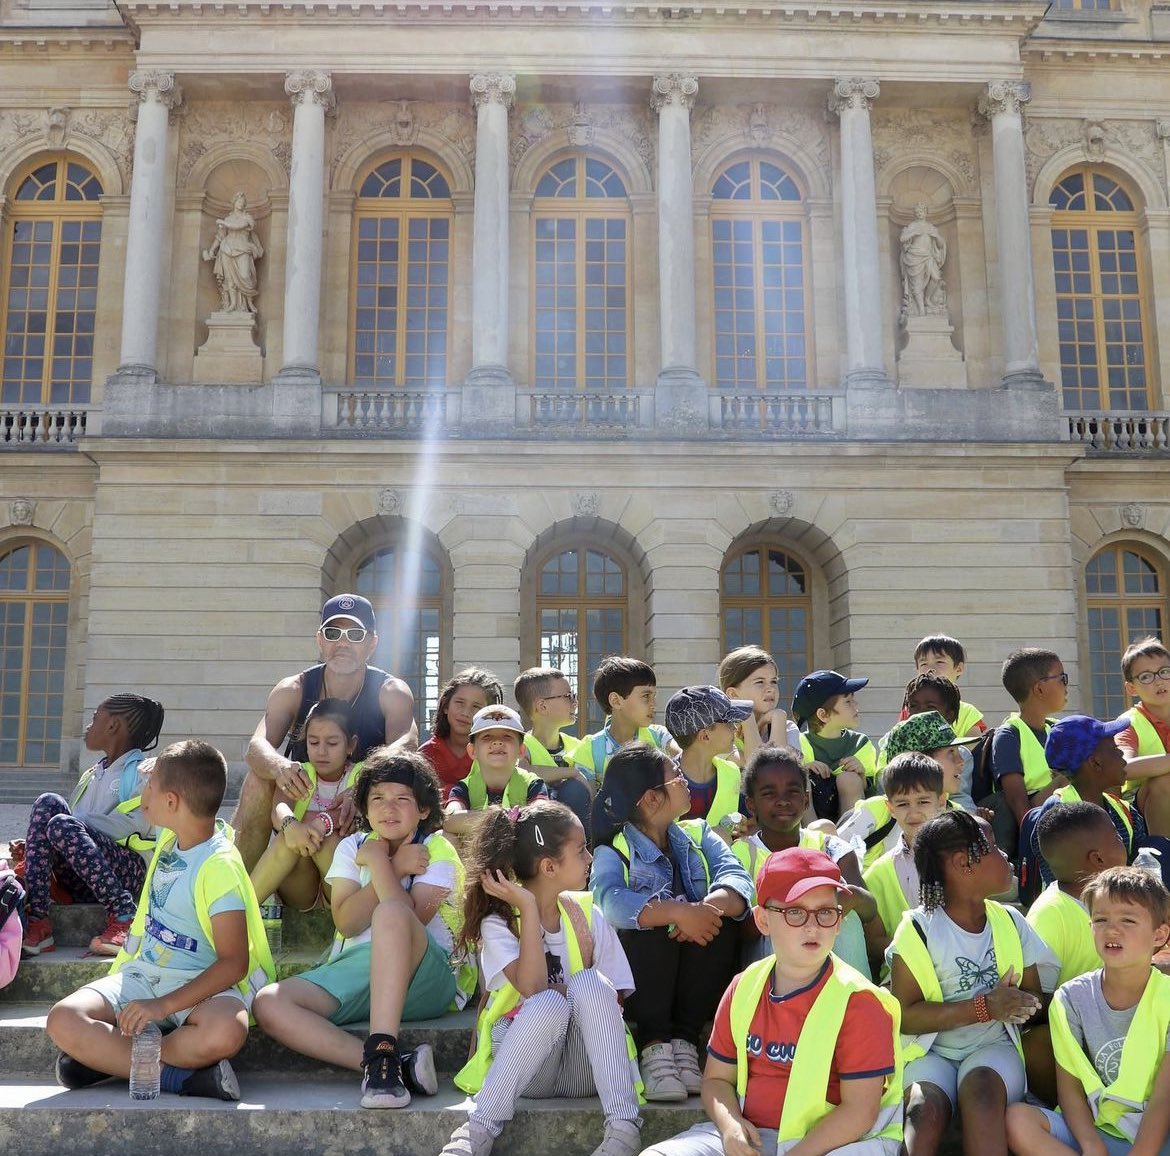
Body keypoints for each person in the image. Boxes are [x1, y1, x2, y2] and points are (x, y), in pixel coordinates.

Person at [46, 740, 273, 1100]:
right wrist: (159, 769)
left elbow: (234, 963)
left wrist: (163, 1007)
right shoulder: (173, 832)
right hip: (143, 978)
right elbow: (168, 776)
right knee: (63, 1019)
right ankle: (180, 1080)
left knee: (226, 1033)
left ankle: (106, 1060)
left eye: (148, 787)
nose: (141, 793)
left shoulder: (218, 865)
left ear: (172, 802)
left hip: (202, 990)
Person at [642, 847, 903, 1156]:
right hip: (751, 1137)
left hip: (831, 1145)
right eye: (795, 912)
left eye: (825, 912)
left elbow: (859, 1112)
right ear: (763, 920)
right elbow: (716, 1080)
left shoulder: (860, 1001)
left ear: (838, 921)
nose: (812, 925)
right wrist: (731, 1126)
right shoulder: (745, 986)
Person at [253, 750, 466, 1109]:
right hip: (359, 971)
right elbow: (347, 921)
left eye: (403, 799)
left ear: (424, 810)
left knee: (390, 915)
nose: (389, 809)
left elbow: (409, 918)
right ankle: (388, 1064)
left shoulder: (436, 849)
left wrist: (385, 864)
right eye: (378, 799)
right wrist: (391, 865)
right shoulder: (352, 847)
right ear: (365, 809)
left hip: (425, 977)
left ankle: (384, 1046)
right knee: (269, 1003)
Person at [443, 801, 642, 1156]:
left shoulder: (586, 913)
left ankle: (624, 1128)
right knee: (547, 1002)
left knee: (590, 984)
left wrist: (573, 992)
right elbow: (533, 989)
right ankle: (477, 1132)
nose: (589, 858)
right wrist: (529, 909)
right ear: (549, 866)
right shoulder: (500, 922)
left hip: (586, 1069)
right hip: (528, 1068)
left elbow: (614, 999)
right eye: (580, 851)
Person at [589, 744, 753, 1102]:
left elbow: (738, 879)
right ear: (651, 799)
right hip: (638, 988)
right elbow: (608, 901)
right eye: (675, 776)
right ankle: (654, 1047)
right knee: (651, 927)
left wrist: (705, 909)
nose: (684, 780)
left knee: (721, 923)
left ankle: (685, 1041)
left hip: (692, 977)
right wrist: (678, 913)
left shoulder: (698, 833)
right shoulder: (614, 848)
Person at [889, 811, 1057, 1156]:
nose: (1005, 856)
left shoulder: (1010, 921)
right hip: (930, 1052)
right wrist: (985, 1007)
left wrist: (1022, 1003)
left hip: (993, 1051)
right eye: (994, 847)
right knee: (923, 1108)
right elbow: (905, 1015)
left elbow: (1036, 996)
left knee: (981, 1095)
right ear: (964, 864)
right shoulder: (918, 930)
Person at [233, 593, 416, 871]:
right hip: (302, 815)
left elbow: (408, 745)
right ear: (320, 640)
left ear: (372, 643)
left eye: (355, 634)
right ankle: (233, 891)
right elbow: (257, 747)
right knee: (260, 779)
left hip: (361, 814)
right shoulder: (293, 689)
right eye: (333, 633)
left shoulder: (391, 692)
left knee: (397, 786)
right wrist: (280, 766)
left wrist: (364, 786)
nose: (342, 643)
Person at [1006, 866, 1170, 1156]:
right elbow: (1069, 1090)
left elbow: (1163, 1098)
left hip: (1157, 1134)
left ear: (1159, 935)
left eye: (1128, 920)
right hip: (1097, 1131)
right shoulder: (1070, 998)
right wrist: (1091, 1146)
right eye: (1101, 919)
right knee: (1017, 1119)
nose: (1112, 930)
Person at [21, 694, 166, 958]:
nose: (88, 726)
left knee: (62, 824)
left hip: (126, 873)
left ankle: (124, 915)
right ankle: (39, 920)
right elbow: (70, 829)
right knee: (48, 803)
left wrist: (75, 824)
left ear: (113, 726)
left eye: (94, 719)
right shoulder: (91, 774)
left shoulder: (144, 772)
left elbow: (138, 826)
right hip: (83, 874)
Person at [731, 745, 876, 977]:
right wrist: (790, 911)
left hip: (829, 951)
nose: (783, 801)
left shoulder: (830, 847)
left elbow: (869, 910)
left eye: (792, 792)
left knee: (842, 918)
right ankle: (784, 1005)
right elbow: (737, 931)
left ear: (806, 800)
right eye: (769, 793)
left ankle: (854, 1003)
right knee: (784, 921)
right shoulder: (741, 854)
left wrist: (847, 899)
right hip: (770, 957)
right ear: (751, 804)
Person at [248, 698, 363, 920]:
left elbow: (347, 813)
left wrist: (322, 823)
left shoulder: (360, 775)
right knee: (288, 837)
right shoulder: (299, 772)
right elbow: (280, 808)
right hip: (300, 888)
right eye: (313, 742)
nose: (321, 751)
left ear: (351, 745)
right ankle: (243, 911)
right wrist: (291, 826)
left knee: (329, 840)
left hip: (340, 887)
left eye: (332, 744)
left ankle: (346, 920)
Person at [844, 711, 975, 871]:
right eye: (951, 752)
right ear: (920, 761)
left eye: (923, 802)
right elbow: (832, 852)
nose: (961, 761)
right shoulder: (877, 812)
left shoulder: (956, 814)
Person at [1027, 716, 1143, 889]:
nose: (1121, 753)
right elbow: (1059, 879)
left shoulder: (1123, 809)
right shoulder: (1058, 813)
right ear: (1095, 762)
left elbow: (1140, 863)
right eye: (1114, 747)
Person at [862, 753, 950, 969]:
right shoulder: (877, 874)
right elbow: (873, 944)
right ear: (890, 808)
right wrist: (923, 947)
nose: (913, 812)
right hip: (904, 974)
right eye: (902, 804)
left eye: (923, 801)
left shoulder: (963, 859)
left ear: (941, 801)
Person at [1028, 803, 1128, 989]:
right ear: (1098, 859)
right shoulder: (1049, 916)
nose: (1122, 840)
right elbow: (1038, 1001)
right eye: (1116, 836)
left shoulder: (1122, 896)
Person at [987, 648, 1069, 854]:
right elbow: (1018, 805)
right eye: (1062, 678)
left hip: (1070, 821)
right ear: (1039, 689)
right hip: (1044, 836)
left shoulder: (1057, 728)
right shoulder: (1009, 735)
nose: (1067, 686)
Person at [443, 705, 548, 837]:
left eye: (507, 736)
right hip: (477, 855)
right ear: (472, 751)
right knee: (444, 836)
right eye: (487, 737)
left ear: (521, 750)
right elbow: (449, 819)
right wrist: (499, 818)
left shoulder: (533, 784)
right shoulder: (464, 787)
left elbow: (543, 816)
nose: (497, 742)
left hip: (520, 854)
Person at [572, 657, 677, 787]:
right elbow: (589, 803)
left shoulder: (659, 736)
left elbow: (685, 757)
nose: (654, 704)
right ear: (616, 701)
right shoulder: (590, 749)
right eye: (646, 696)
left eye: (654, 696)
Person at [513, 666, 592, 834]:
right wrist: (571, 772)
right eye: (568, 696)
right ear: (542, 706)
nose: (575, 702)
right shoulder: (522, 744)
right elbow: (522, 770)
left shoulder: (577, 745)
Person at [665, 685, 754, 833]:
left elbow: (751, 824)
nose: (735, 728)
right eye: (728, 722)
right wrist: (713, 834)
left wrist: (744, 829)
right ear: (705, 736)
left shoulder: (733, 774)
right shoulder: (661, 782)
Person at [791, 669, 875, 822]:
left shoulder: (860, 744)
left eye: (853, 699)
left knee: (849, 778)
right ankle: (814, 840)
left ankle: (847, 841)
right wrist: (805, 769)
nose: (856, 704)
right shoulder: (799, 744)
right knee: (801, 779)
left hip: (852, 822)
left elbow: (873, 793)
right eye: (847, 701)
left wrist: (862, 776)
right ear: (823, 715)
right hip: (811, 820)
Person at [419, 668, 504, 803]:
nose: (465, 712)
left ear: (489, 715)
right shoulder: (427, 753)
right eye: (459, 703)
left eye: (476, 707)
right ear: (446, 706)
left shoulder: (495, 751)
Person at [1115, 637, 1170, 836]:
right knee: (1164, 781)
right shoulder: (1128, 723)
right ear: (1131, 688)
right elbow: (1123, 767)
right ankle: (1163, 856)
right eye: (1147, 676)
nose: (1159, 681)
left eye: (1165, 672)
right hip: (1140, 812)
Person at [717, 645, 802, 764]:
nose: (771, 689)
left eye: (773, 681)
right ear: (733, 694)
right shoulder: (720, 732)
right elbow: (759, 767)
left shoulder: (786, 727)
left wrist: (778, 717)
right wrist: (748, 718)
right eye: (760, 682)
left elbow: (779, 768)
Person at [909, 635, 986, 737]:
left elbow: (973, 748)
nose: (930, 669)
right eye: (924, 664)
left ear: (959, 668)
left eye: (939, 662)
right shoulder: (911, 709)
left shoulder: (968, 713)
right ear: (918, 670)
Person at [202, 191, 263, 314]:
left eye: (243, 202)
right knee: (229, 278)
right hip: (227, 248)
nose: (241, 204)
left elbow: (239, 226)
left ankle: (248, 304)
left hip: (243, 248)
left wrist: (223, 223)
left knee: (245, 275)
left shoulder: (247, 218)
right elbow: (220, 236)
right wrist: (212, 250)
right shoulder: (228, 219)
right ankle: (232, 304)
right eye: (239, 201)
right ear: (234, 203)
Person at [900, 202, 947, 319]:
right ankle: (921, 310)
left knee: (936, 278)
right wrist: (913, 233)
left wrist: (936, 236)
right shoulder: (912, 226)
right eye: (918, 212)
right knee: (917, 284)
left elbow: (941, 245)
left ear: (926, 212)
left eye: (922, 211)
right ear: (915, 214)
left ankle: (927, 299)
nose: (920, 213)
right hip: (914, 256)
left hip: (928, 256)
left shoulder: (931, 227)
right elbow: (902, 238)